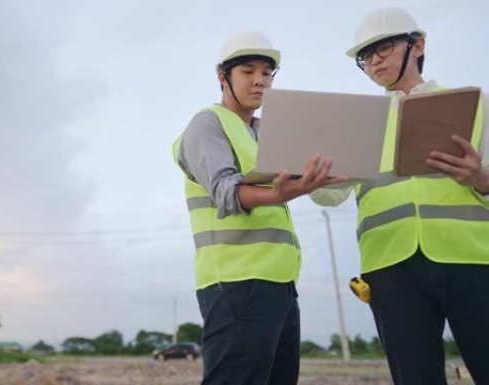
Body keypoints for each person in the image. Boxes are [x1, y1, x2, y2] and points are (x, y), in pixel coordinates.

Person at [311, 7, 489, 384]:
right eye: (365, 55)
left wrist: (481, 178)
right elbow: (329, 197)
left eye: (384, 47)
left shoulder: (474, 106)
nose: (374, 60)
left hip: (472, 261)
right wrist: (311, 173)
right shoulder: (357, 122)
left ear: (418, 45)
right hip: (391, 267)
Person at [173, 31, 344, 384]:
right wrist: (279, 194)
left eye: (266, 73)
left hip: (280, 284)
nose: (259, 81)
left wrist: (334, 169)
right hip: (236, 284)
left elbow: (325, 193)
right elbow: (225, 190)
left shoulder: (270, 132)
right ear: (223, 78)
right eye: (248, 71)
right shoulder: (208, 123)